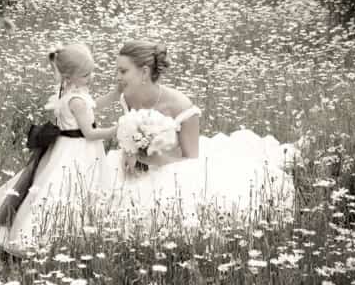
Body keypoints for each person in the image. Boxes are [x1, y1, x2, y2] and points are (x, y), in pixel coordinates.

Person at [105, 40, 296, 221]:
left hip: (175, 168)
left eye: (123, 71)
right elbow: (130, 136)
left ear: (144, 72)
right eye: (117, 71)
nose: (117, 77)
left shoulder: (180, 106)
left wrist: (156, 160)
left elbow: (191, 160)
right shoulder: (127, 96)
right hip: (140, 164)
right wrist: (129, 153)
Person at [0, 43, 117, 256]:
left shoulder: (69, 93)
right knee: (68, 189)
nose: (90, 78)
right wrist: (116, 130)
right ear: (69, 77)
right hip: (79, 150)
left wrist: (115, 94)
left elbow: (93, 106)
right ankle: (52, 234)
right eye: (84, 75)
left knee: (53, 185)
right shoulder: (77, 101)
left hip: (65, 147)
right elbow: (90, 133)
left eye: (91, 73)